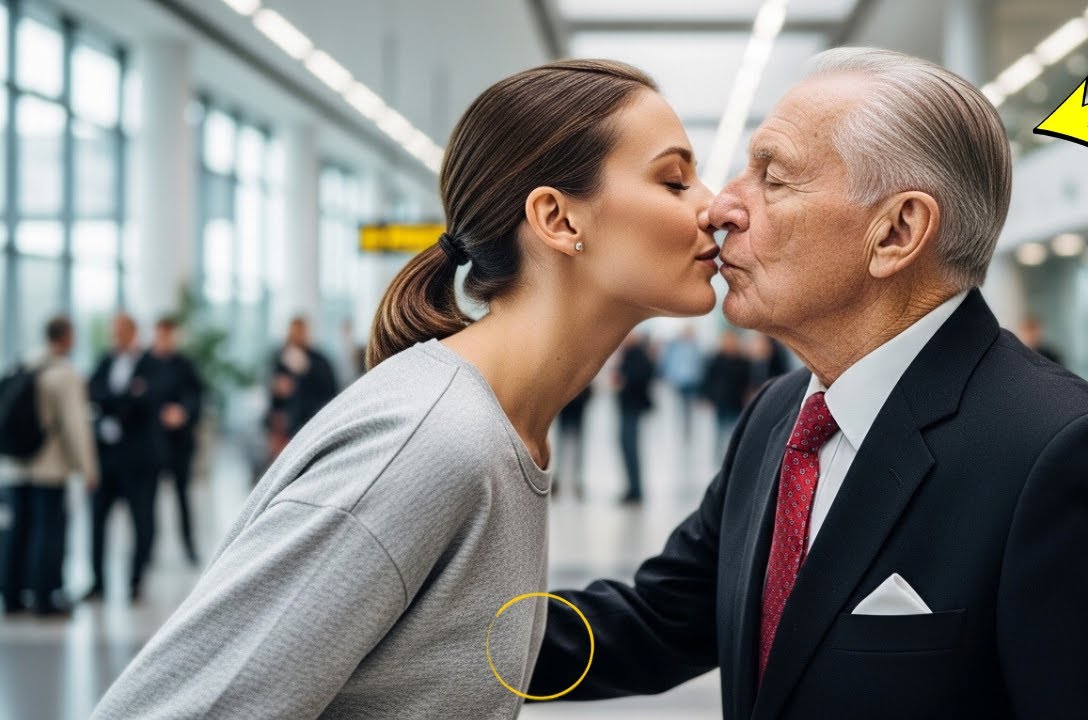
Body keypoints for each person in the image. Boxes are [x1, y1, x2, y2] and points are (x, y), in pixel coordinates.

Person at [530, 48, 1088, 718]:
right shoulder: (779, 417)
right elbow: (661, 619)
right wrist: (451, 633)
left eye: (773, 177)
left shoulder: (1057, 456)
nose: (720, 208)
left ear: (897, 231)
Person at [93, 59, 719, 719]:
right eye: (675, 180)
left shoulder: (505, 428)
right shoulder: (434, 442)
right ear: (559, 220)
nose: (715, 205)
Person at [1, 317, 98, 617]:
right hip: (48, 467)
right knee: (47, 532)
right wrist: (89, 469)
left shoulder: (22, 365)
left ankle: (12, 596)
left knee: (16, 532)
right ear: (67, 337)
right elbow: (75, 427)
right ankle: (45, 598)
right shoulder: (64, 374)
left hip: (15, 467)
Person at [86, 313, 162, 603]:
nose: (115, 338)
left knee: (142, 521)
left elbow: (146, 402)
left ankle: (135, 581)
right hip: (107, 458)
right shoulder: (105, 361)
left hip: (140, 460)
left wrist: (113, 403)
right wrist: (124, 400)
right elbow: (93, 391)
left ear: (133, 333)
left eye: (120, 332)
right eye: (112, 332)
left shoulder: (151, 365)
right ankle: (97, 583)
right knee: (97, 520)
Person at [145, 317, 205, 566]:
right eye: (161, 334)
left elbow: (198, 396)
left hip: (180, 443)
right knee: (147, 500)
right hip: (151, 444)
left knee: (183, 497)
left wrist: (183, 412)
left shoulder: (185, 365)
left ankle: (189, 546)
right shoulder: (145, 363)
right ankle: (147, 549)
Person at [263, 316, 337, 463]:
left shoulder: (319, 361)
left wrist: (306, 369)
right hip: (285, 422)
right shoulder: (281, 357)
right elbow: (274, 392)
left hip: (310, 421)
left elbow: (330, 389)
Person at [616, 332, 655, 504]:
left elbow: (643, 376)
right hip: (627, 407)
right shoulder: (629, 354)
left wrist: (625, 379)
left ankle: (635, 489)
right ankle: (632, 487)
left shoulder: (638, 354)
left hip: (633, 407)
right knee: (626, 447)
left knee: (630, 447)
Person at [701, 329, 753, 457]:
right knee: (720, 429)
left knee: (735, 430)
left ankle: (732, 455)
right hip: (721, 399)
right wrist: (708, 397)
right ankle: (718, 456)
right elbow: (709, 378)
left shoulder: (743, 360)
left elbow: (747, 380)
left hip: (737, 400)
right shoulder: (716, 359)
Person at [658, 325, 703, 442]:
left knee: (688, 405)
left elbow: (699, 364)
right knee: (681, 404)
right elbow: (670, 362)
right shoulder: (676, 346)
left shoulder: (695, 347)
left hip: (692, 381)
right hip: (679, 381)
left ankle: (687, 427)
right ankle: (682, 426)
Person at [552, 385, 592, 500]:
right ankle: (563, 480)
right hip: (567, 406)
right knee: (562, 447)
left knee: (576, 447)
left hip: (576, 405)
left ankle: (576, 481)